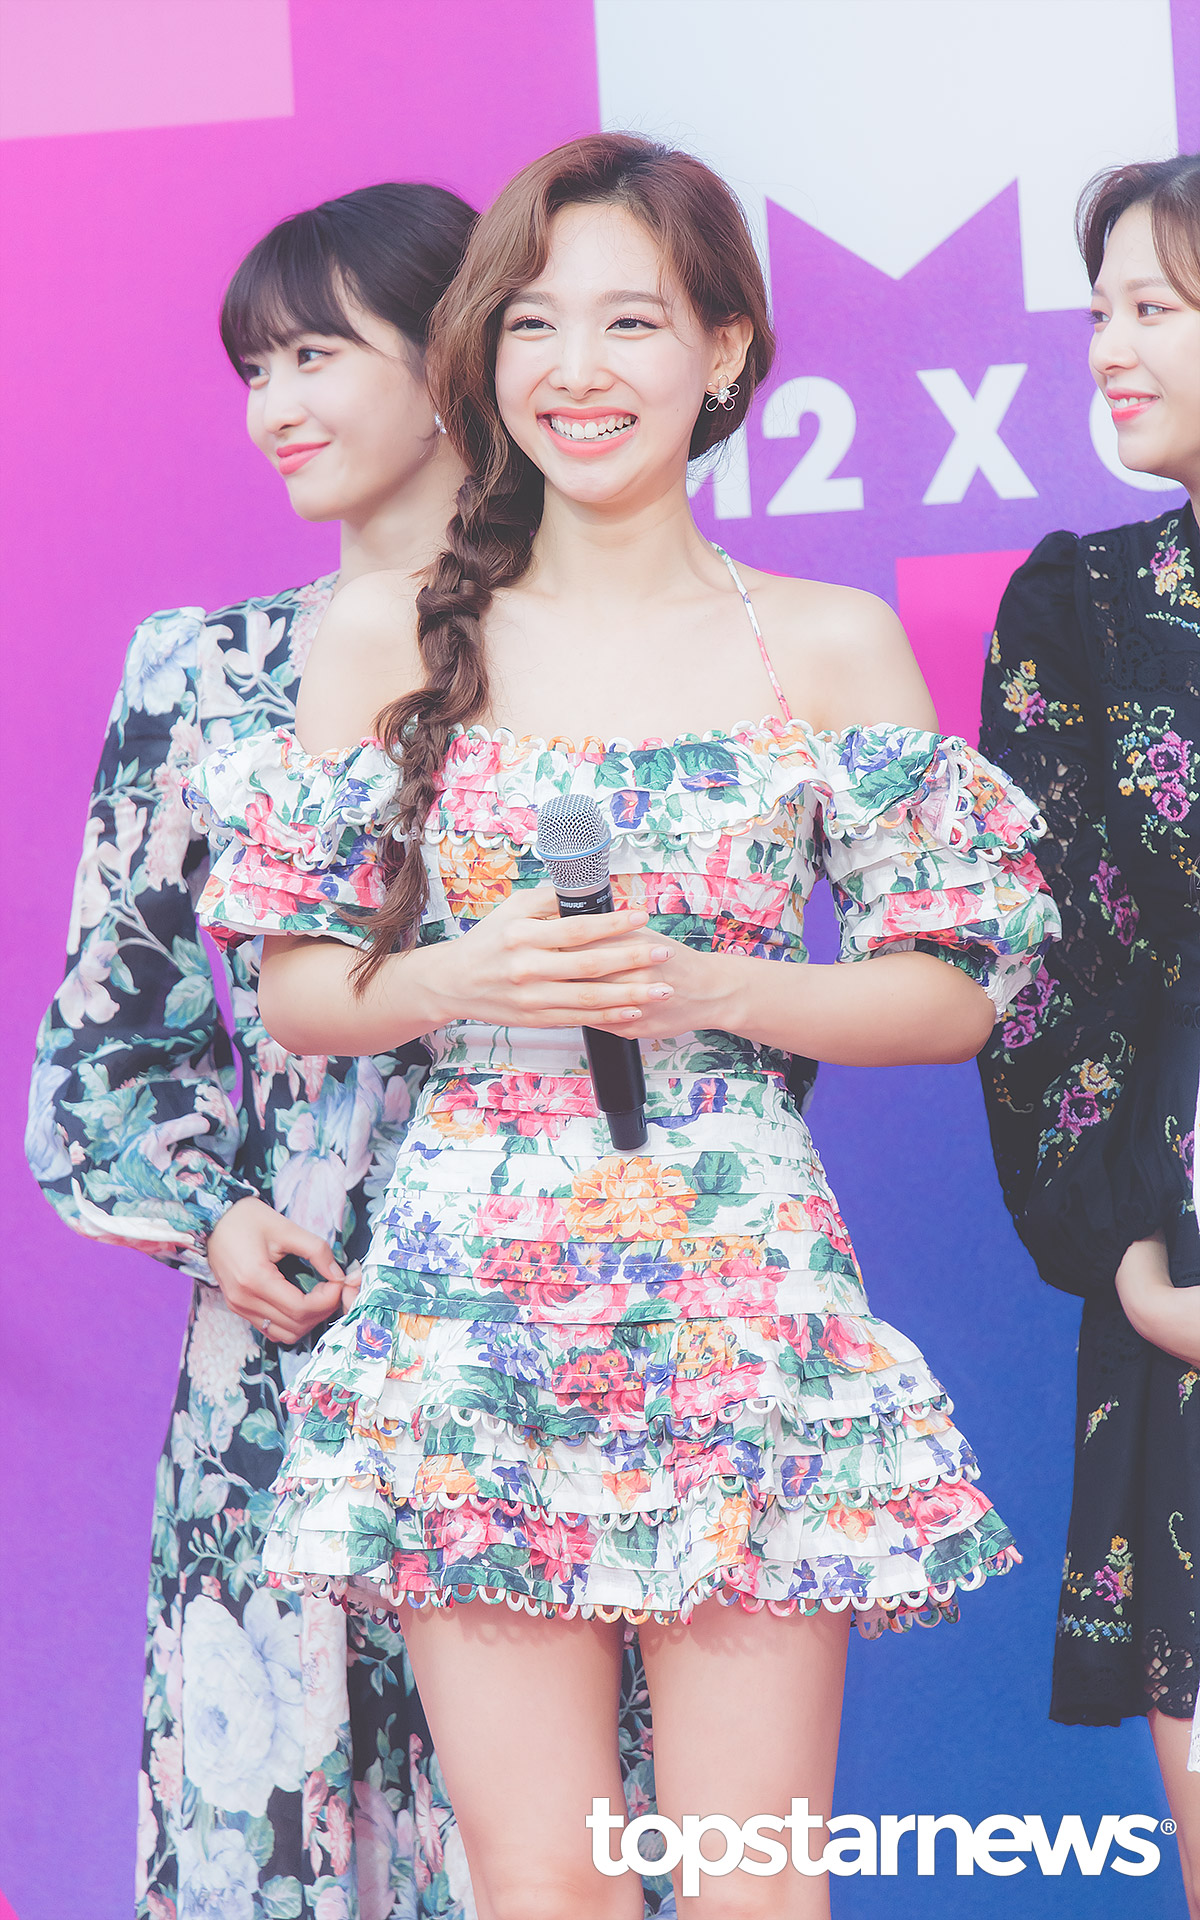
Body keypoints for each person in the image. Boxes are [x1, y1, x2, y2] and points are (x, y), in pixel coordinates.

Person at [185, 134, 1058, 1919]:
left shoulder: (823, 643)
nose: (575, 370)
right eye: (532, 324)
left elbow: (956, 987)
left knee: (753, 1883)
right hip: (469, 1302)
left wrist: (719, 989)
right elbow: (298, 992)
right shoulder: (382, 635)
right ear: (486, 357)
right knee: (545, 1884)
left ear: (724, 351)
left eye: (631, 322)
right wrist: (468, 978)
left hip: (738, 1291)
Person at [25, 182, 497, 1919]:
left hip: (566, 1308)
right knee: (293, 1833)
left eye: (316, 355)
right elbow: (117, 1029)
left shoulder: (608, 650)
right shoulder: (200, 672)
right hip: (291, 1336)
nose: (273, 407)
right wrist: (213, 1218)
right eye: (253, 369)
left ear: (454, 358)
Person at [977, 153, 1200, 1912]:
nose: (1111, 348)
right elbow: (1044, 965)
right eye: (1102, 309)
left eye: (1159, 307)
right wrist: (1126, 1251)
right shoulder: (1085, 609)